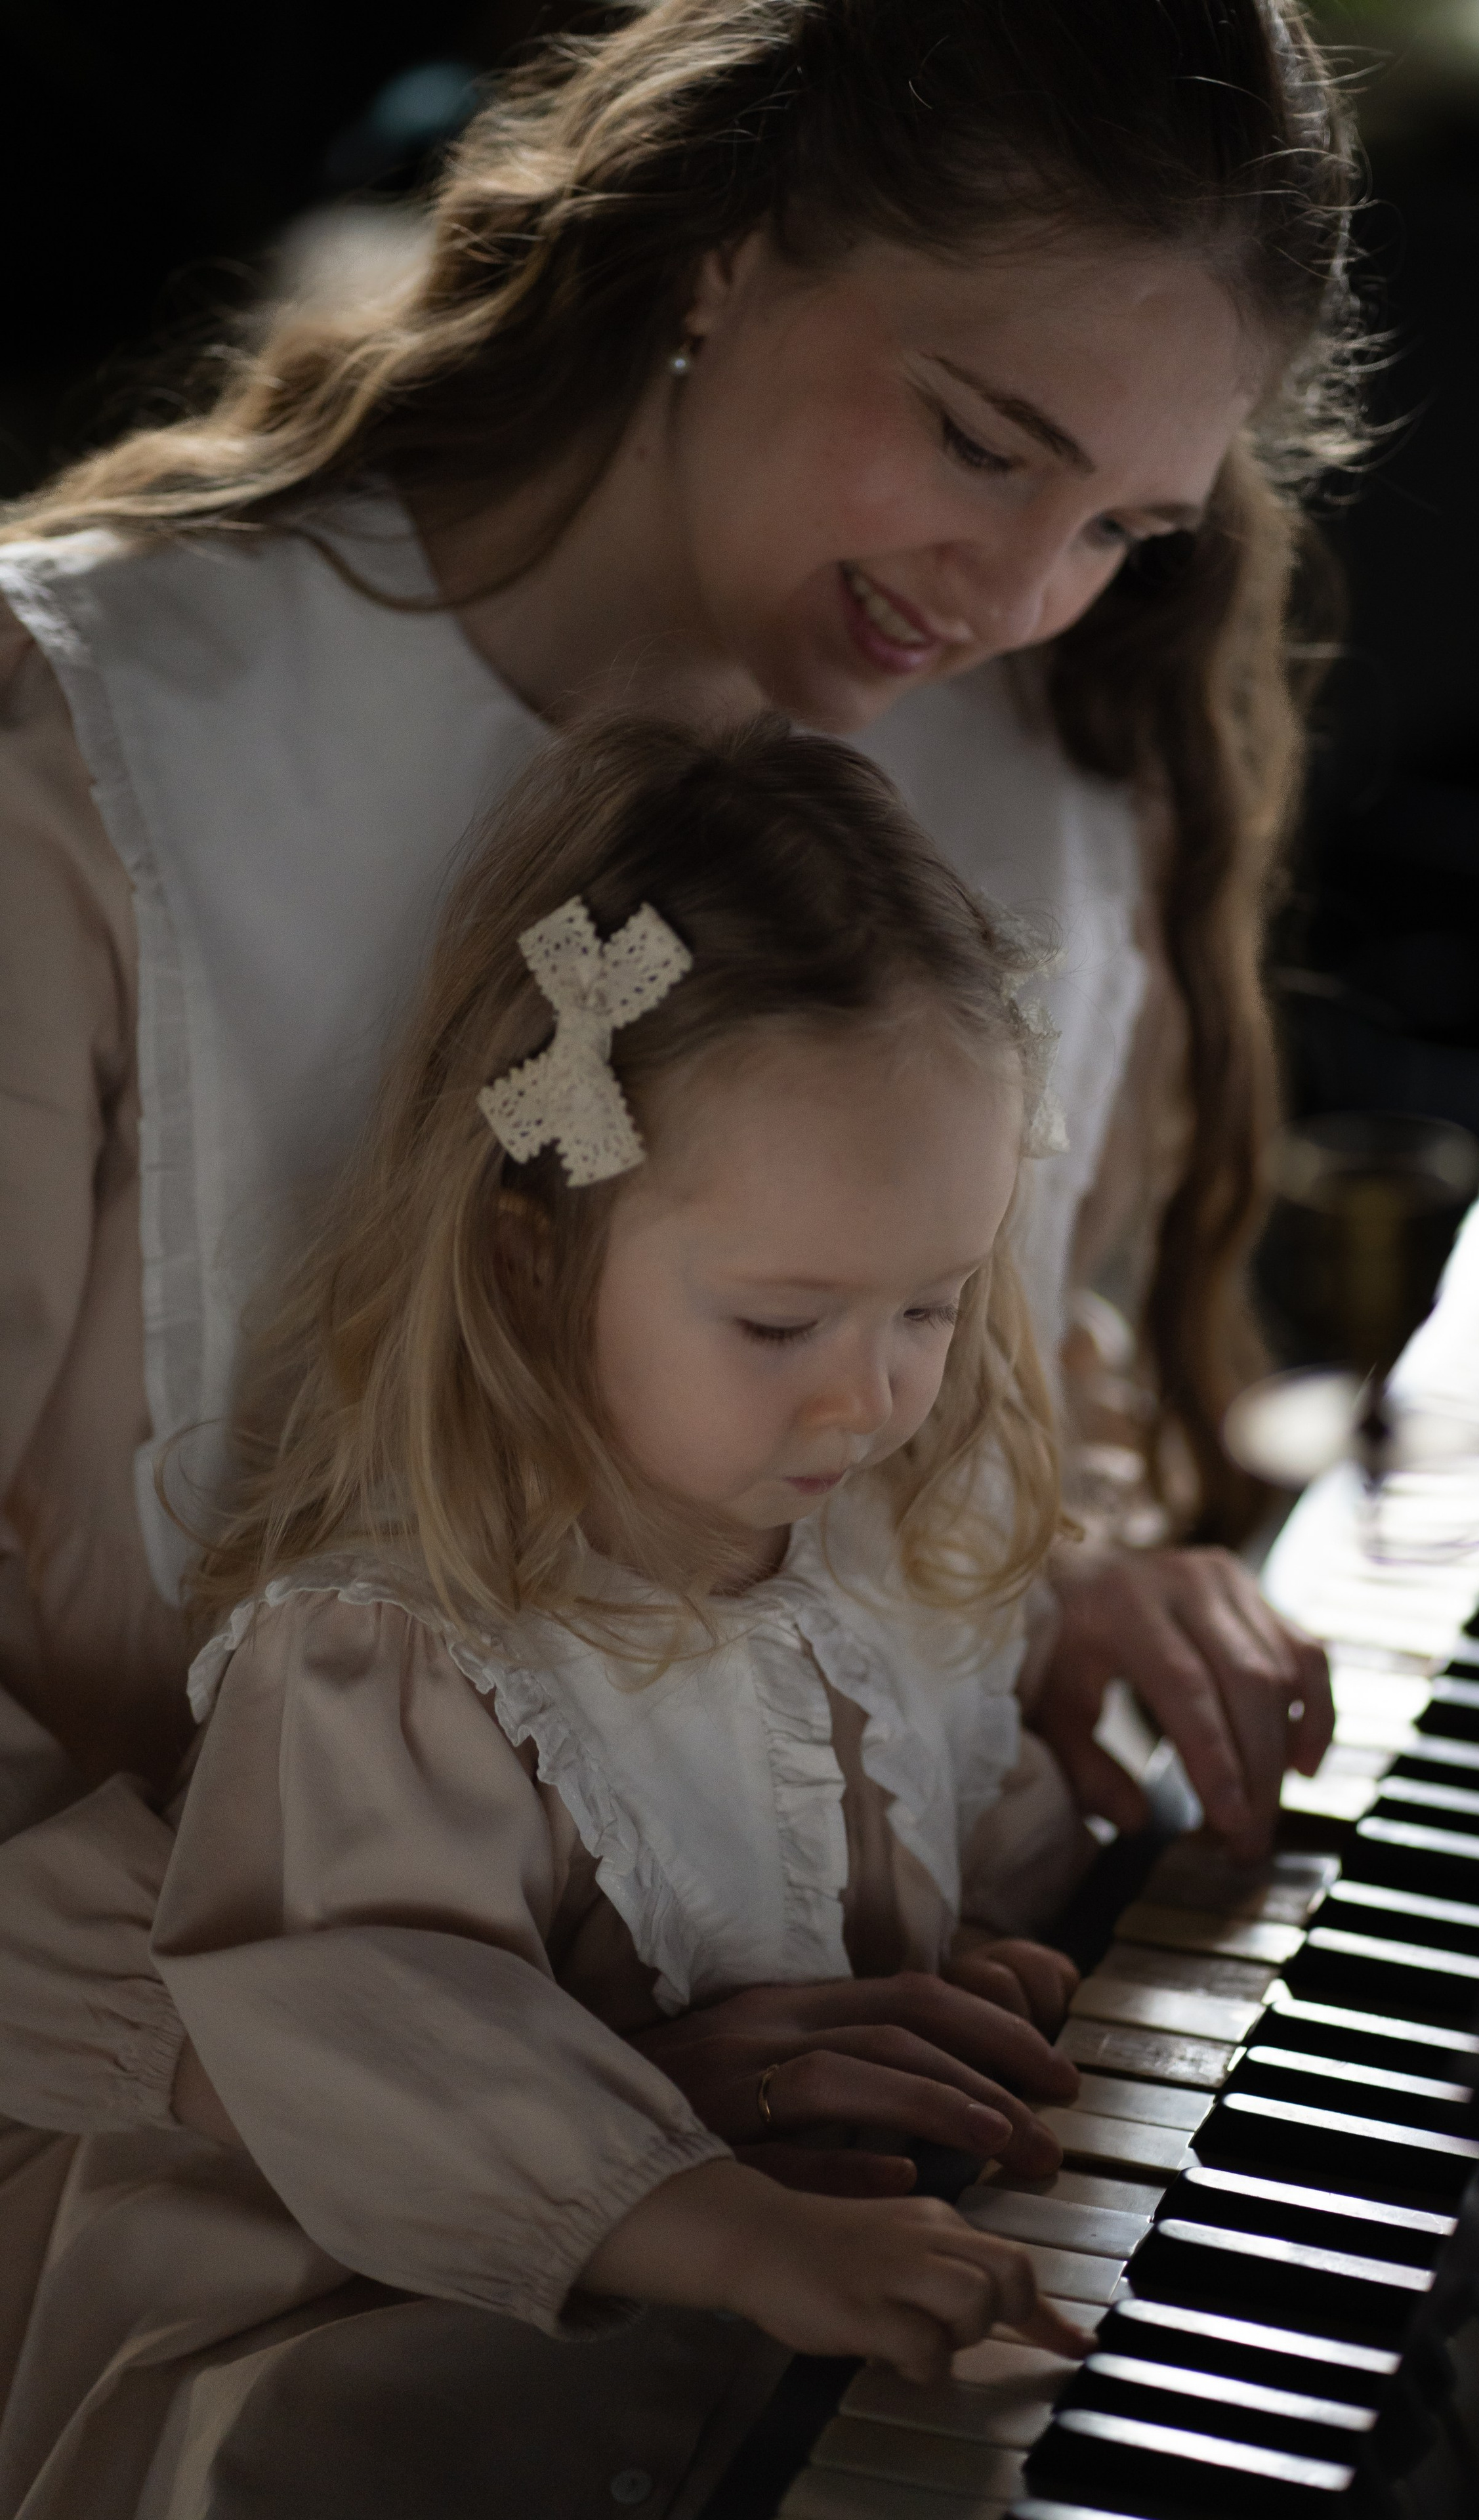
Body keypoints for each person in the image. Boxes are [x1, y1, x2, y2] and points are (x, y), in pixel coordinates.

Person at [0, 0, 1340, 2246]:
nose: (1020, 598)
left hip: (885, 2164)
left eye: (1121, 523)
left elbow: (968, 1382)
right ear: (725, 245)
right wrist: (516, 2089)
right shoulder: (100, 755)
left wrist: (1054, 1575)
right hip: (212, 2219)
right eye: (981, 440)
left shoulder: (1030, 765)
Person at [1, 715, 1104, 2517]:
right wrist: (730, 2229)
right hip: (396, 2317)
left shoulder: (877, 1539)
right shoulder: (406, 1654)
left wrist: (975, 1967)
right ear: (536, 1251)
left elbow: (952, 1798)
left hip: (777, 2299)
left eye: (932, 1305)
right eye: (779, 1325)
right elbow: (366, 2035)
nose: (871, 1402)